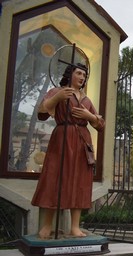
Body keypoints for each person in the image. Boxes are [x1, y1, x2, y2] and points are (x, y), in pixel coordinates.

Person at [31, 62, 105, 239]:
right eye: (79, 73)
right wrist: (58, 98)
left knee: (80, 182)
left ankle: (74, 227)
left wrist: (90, 116)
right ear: (70, 74)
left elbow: (101, 125)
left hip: (82, 142)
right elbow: (41, 113)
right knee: (55, 177)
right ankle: (47, 226)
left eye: (84, 75)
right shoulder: (58, 91)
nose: (82, 77)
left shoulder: (86, 100)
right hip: (62, 139)